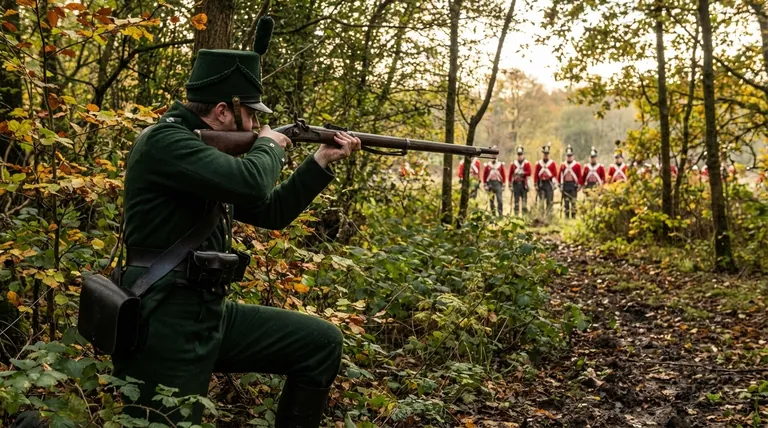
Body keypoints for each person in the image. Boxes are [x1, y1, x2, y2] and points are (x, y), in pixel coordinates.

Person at [104, 18, 360, 428]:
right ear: (222, 111)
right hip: (166, 317)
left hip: (206, 311)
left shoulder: (198, 151)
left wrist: (318, 162)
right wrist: (271, 146)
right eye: (252, 117)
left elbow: (270, 212)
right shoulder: (166, 142)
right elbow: (252, 183)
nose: (259, 126)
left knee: (319, 343)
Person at [558, 145, 582, 218]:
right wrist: (560, 185)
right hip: (566, 185)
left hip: (573, 185)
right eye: (568, 156)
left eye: (570, 156)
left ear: (573, 156)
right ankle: (567, 215)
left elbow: (579, 176)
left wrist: (579, 185)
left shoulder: (577, 165)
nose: (569, 157)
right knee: (566, 202)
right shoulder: (563, 165)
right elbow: (559, 176)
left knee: (573, 201)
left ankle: (574, 215)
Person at [534, 143, 558, 215]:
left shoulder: (552, 163)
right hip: (541, 183)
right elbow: (536, 174)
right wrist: (535, 184)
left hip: (549, 183)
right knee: (541, 201)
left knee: (549, 200)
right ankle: (541, 216)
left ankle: (549, 215)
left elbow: (555, 174)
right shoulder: (538, 163)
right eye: (544, 154)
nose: (546, 155)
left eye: (547, 154)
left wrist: (549, 176)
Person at [508, 146, 532, 216]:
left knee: (524, 201)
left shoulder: (527, 163)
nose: (520, 156)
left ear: (523, 154)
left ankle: (524, 216)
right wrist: (510, 184)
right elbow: (510, 174)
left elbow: (529, 172)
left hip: (523, 184)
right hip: (516, 184)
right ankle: (516, 216)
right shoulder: (513, 164)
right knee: (516, 201)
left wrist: (523, 173)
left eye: (521, 154)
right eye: (518, 154)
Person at [482, 150, 506, 217]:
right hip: (490, 184)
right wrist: (485, 184)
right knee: (491, 201)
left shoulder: (500, 165)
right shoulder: (488, 165)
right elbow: (484, 175)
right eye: (492, 156)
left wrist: (504, 184)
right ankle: (493, 215)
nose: (493, 157)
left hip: (498, 183)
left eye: (494, 156)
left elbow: (503, 175)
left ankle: (500, 215)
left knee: (500, 200)